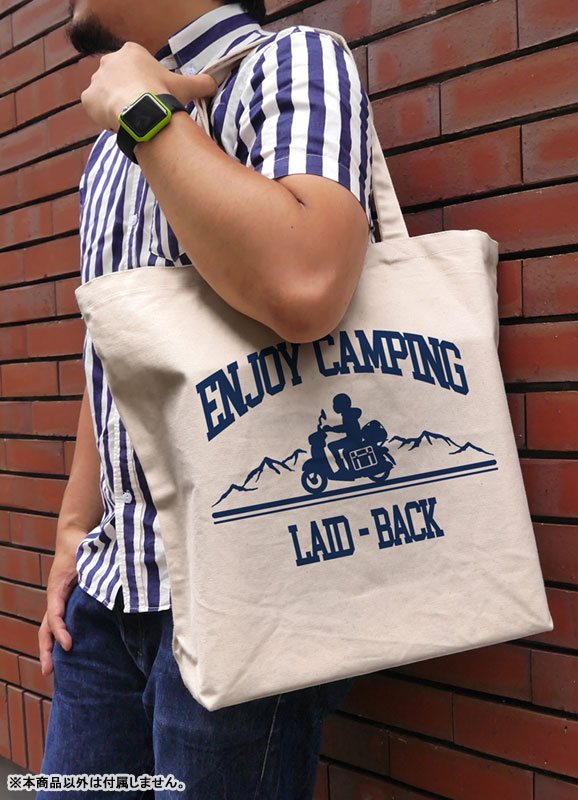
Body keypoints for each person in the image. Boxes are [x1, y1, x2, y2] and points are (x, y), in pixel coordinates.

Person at [37, 0, 374, 796]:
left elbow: (308, 284)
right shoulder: (109, 150)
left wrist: (144, 110)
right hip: (108, 591)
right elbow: (118, 349)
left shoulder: (290, 63)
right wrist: (73, 529)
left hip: (243, 592)